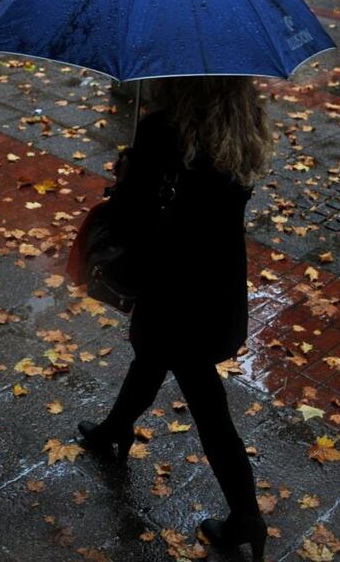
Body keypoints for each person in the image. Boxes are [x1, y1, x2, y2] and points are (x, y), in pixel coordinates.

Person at [77, 76, 273, 562]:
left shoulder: (165, 130)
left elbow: (133, 216)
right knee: (151, 356)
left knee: (204, 398)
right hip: (217, 282)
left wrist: (127, 173)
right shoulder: (241, 122)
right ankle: (114, 429)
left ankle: (246, 515)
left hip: (173, 284)